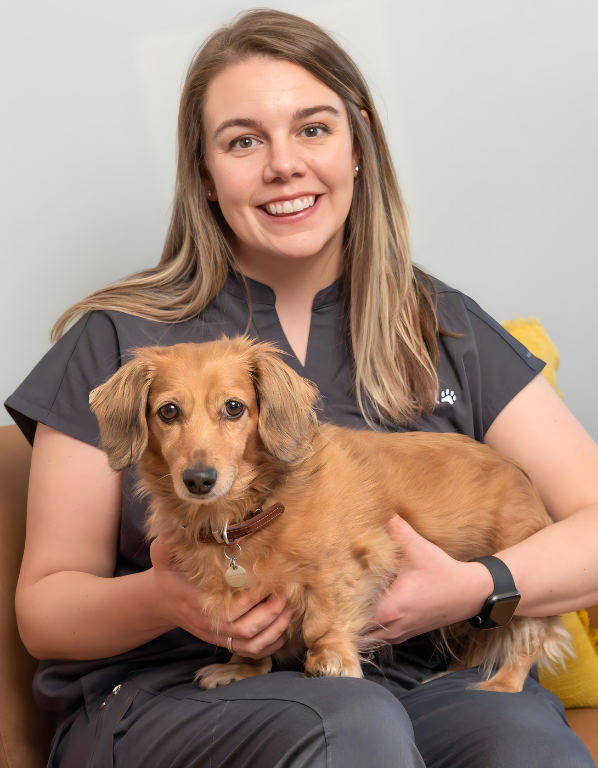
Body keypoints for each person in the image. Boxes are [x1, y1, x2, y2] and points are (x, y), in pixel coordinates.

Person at [6, 9, 598, 768]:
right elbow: (45, 611)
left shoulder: (439, 324)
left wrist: (474, 588)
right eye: (244, 139)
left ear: (357, 148)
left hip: (408, 675)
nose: (283, 164)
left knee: (525, 749)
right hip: (179, 691)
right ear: (206, 174)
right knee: (350, 731)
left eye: (312, 129)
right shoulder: (118, 339)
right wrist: (168, 601)